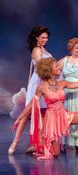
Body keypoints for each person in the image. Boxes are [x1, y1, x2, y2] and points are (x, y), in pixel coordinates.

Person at [10, 57, 78, 159]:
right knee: (56, 153)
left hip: (64, 115)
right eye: (56, 66)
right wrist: (19, 118)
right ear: (49, 70)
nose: (59, 68)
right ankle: (38, 147)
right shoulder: (42, 87)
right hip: (52, 120)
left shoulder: (62, 83)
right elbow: (31, 105)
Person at [8, 26, 52, 155]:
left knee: (43, 113)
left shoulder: (45, 50)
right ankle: (15, 142)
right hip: (38, 82)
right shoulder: (36, 50)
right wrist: (48, 78)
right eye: (42, 37)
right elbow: (40, 66)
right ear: (37, 37)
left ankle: (38, 143)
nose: (45, 39)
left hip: (46, 82)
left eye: (46, 37)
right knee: (27, 113)